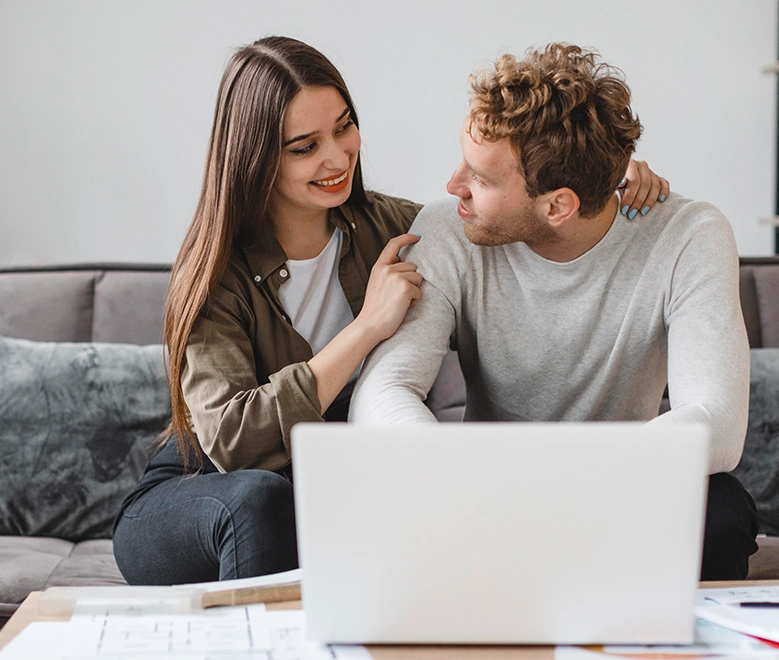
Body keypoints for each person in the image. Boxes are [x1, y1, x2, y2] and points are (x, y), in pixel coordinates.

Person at [112, 36, 667, 585]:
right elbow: (237, 443)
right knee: (261, 502)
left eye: (343, 126)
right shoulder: (216, 271)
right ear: (256, 158)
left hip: (330, 488)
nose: (337, 156)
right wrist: (365, 328)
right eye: (304, 146)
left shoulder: (399, 229)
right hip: (205, 491)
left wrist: (598, 180)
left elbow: (512, 212)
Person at [349, 43, 759, 580]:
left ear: (558, 205)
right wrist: (456, 474)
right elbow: (382, 392)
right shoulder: (448, 229)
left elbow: (718, 425)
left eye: (481, 178)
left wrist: (565, 487)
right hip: (480, 499)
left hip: (618, 493)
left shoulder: (689, 235)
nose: (454, 187)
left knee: (724, 511)